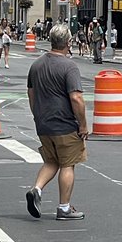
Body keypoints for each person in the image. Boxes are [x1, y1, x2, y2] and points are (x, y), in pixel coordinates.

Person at [25, 23, 89, 221]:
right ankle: (64, 208)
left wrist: (37, 115)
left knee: (51, 161)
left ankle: (36, 189)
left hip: (43, 123)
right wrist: (83, 124)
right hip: (64, 124)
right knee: (68, 164)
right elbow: (76, 98)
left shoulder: (36, 65)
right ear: (68, 42)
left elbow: (31, 93)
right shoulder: (69, 66)